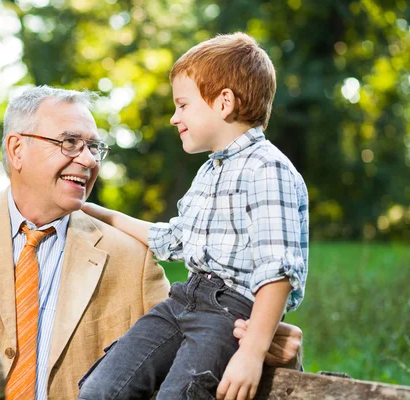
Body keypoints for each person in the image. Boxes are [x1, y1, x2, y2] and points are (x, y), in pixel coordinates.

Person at [0, 85, 303, 400]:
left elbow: (191, 360)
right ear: (17, 149)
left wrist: (272, 352)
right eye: (69, 143)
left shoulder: (131, 256)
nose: (88, 159)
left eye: (95, 147)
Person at [78, 32, 309, 400]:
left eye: (182, 105)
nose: (174, 117)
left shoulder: (268, 169)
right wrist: (104, 216)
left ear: (224, 103)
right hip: (183, 300)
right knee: (101, 389)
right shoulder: (210, 171)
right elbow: (175, 238)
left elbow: (277, 270)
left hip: (229, 312)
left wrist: (251, 353)